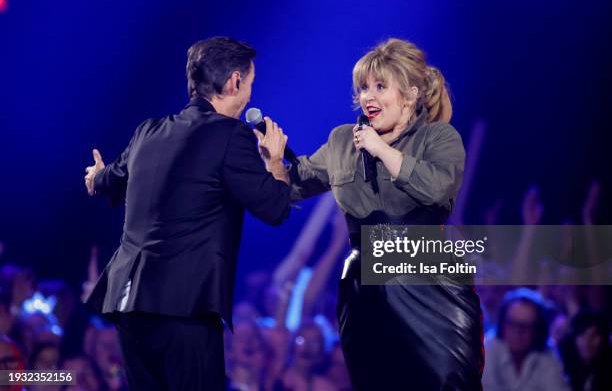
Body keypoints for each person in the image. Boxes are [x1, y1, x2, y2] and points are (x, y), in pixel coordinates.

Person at [83, 36, 291, 390]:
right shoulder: (231, 135)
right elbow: (275, 207)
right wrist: (274, 162)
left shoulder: (147, 131)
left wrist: (95, 177)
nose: (250, 95)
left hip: (131, 306)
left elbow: (108, 179)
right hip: (185, 309)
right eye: (250, 84)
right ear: (235, 82)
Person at [289, 38, 483, 389]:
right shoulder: (343, 142)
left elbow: (438, 190)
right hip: (367, 289)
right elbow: (291, 185)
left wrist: (381, 150)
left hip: (429, 282)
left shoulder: (438, 138)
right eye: (363, 88)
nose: (368, 96)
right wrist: (272, 162)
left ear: (409, 95)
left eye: (380, 86)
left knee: (448, 382)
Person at [483, 288, 570, 391]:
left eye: (526, 326)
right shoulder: (488, 348)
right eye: (512, 323)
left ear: (538, 330)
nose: (518, 331)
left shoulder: (547, 353)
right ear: (503, 324)